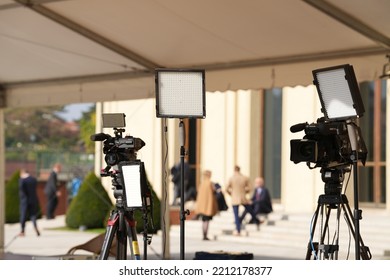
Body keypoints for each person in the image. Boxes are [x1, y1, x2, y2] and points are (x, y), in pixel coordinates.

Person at [226, 165, 259, 236]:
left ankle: (238, 230)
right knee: (249, 210)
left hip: (234, 198)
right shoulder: (244, 178)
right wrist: (245, 192)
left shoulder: (231, 178)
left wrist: (231, 193)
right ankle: (256, 220)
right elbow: (250, 188)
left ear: (234, 170)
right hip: (242, 197)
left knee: (236, 215)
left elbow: (226, 188)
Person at [195, 170, 219, 240]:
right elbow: (214, 191)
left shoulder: (202, 183)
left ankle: (204, 234)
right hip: (208, 205)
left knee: (203, 220)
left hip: (202, 206)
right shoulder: (210, 183)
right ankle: (205, 235)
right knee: (207, 221)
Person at [18, 168, 40, 237]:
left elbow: (21, 189)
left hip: (24, 201)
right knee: (33, 215)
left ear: (22, 173)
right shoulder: (33, 179)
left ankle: (22, 231)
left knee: (23, 216)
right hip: (33, 200)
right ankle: (35, 226)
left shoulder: (22, 180)